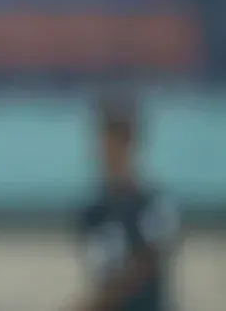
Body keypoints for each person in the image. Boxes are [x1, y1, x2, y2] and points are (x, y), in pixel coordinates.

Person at [74, 96, 180, 311]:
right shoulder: (94, 212)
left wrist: (95, 303)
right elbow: (101, 272)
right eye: (105, 145)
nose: (109, 154)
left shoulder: (152, 204)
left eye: (117, 145)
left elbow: (147, 263)